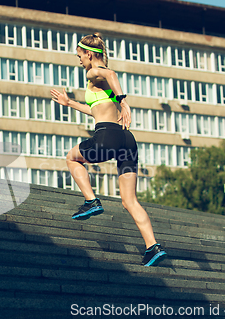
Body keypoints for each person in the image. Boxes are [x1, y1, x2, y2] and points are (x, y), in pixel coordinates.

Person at [50, 33, 167, 267]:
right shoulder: (102, 86)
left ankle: (91, 201)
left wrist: (123, 100)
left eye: (79, 56)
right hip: (126, 139)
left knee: (72, 158)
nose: (78, 60)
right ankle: (153, 247)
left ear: (89, 54)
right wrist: (70, 103)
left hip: (107, 135)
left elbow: (111, 74)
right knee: (129, 200)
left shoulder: (94, 72)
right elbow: (96, 109)